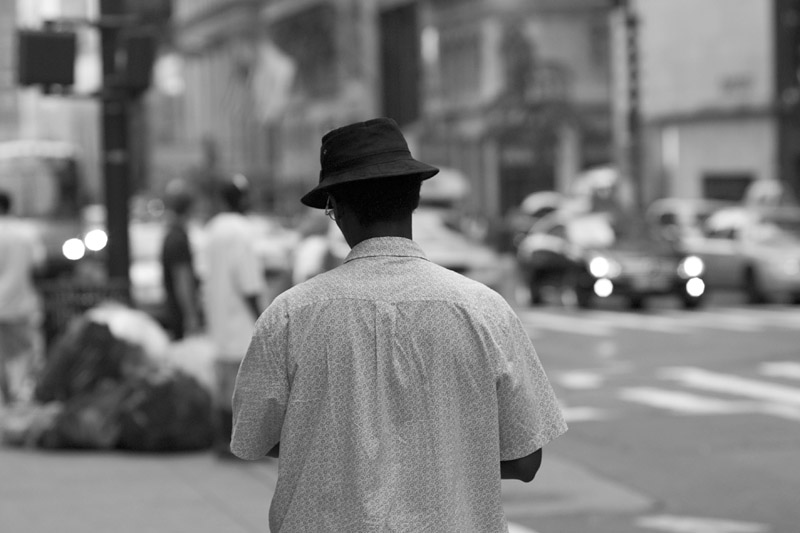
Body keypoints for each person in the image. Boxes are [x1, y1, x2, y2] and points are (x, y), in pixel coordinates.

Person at [231, 118, 567, 532]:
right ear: (415, 199)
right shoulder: (485, 311)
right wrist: (433, 464)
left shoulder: (289, 315)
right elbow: (525, 459)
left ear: (336, 209)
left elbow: (251, 438)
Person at [201, 174, 265, 456]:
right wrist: (260, 315)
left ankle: (220, 440)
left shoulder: (212, 228)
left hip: (217, 312)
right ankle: (238, 445)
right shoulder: (242, 230)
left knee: (223, 379)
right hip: (239, 315)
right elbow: (248, 279)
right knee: (242, 382)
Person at [0, 189, 45, 406]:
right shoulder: (26, 232)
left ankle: (6, 400)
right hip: (20, 305)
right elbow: (39, 267)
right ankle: (20, 403)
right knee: (25, 355)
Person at [160, 180, 201, 340]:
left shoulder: (170, 235)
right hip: (179, 314)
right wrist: (191, 315)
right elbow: (182, 278)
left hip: (173, 309)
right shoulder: (178, 238)